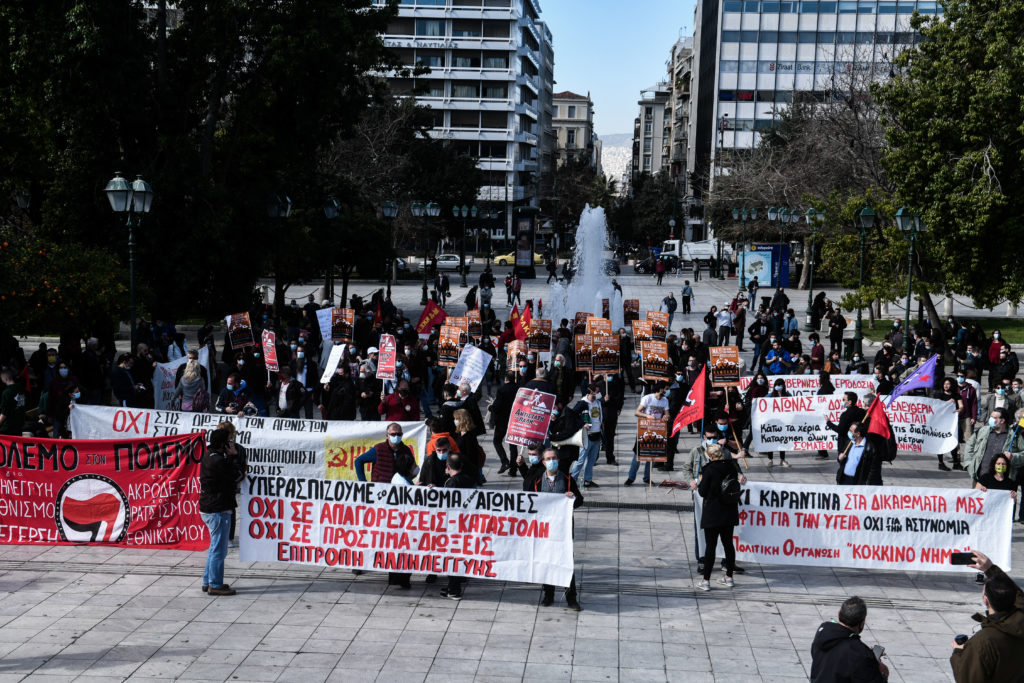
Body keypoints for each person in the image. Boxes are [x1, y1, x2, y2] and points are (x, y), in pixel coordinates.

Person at [949, 549, 1024, 682]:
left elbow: (968, 679)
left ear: (986, 600)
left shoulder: (984, 642)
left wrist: (959, 653)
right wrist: (990, 569)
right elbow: (1017, 597)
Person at [525, 448, 582, 610]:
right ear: (543, 462)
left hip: (563, 530)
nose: (552, 461)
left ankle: (571, 598)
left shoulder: (567, 478)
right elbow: (527, 501)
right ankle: (548, 594)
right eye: (548, 458)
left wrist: (573, 498)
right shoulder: (536, 480)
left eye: (554, 458)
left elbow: (580, 501)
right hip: (544, 529)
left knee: (566, 563)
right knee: (547, 562)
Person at [810, 596, 889, 682]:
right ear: (862, 623)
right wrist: (880, 668)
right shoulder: (861, 653)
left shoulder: (823, 631)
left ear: (839, 613)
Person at [696, 444, 741, 591]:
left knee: (711, 546)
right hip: (729, 510)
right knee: (728, 544)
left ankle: (706, 580)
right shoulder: (731, 467)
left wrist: (701, 480)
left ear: (709, 456)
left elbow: (702, 492)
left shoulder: (708, 469)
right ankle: (729, 577)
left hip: (713, 512)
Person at [199, 429, 238, 596]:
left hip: (211, 507)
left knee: (215, 547)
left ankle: (208, 581)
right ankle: (215, 584)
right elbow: (235, 475)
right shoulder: (218, 461)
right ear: (223, 443)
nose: (231, 444)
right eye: (229, 441)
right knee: (219, 550)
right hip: (217, 509)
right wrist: (233, 455)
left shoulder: (210, 455)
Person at [440, 453, 475, 600]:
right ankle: (454, 584)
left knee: (452, 557)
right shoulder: (469, 480)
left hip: (453, 525)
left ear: (448, 467)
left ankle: (454, 590)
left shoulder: (451, 483)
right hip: (466, 524)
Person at [626, 382, 669, 486]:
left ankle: (647, 477)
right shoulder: (647, 398)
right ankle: (631, 477)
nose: (667, 391)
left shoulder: (665, 400)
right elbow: (637, 412)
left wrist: (666, 417)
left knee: (652, 455)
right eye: (666, 389)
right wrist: (647, 416)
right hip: (645, 430)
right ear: (660, 389)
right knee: (638, 455)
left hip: (657, 430)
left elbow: (667, 414)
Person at [963, 407, 1014, 485]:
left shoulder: (1013, 436)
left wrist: (1013, 456)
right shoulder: (983, 431)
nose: (990, 419)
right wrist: (969, 463)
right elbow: (969, 445)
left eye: (994, 418)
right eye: (991, 417)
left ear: (1002, 420)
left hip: (1001, 481)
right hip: (980, 478)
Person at [571, 382, 604, 488]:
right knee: (580, 460)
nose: (599, 394)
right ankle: (572, 480)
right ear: (591, 392)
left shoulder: (598, 403)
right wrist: (582, 424)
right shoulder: (582, 403)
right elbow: (572, 415)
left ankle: (588, 480)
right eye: (597, 392)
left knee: (591, 460)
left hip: (596, 435)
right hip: (586, 436)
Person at [826, 392, 866, 463]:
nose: (843, 401)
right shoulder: (862, 412)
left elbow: (840, 430)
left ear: (850, 402)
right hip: (860, 443)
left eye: (844, 399)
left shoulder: (845, 415)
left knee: (845, 467)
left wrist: (829, 423)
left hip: (846, 445)